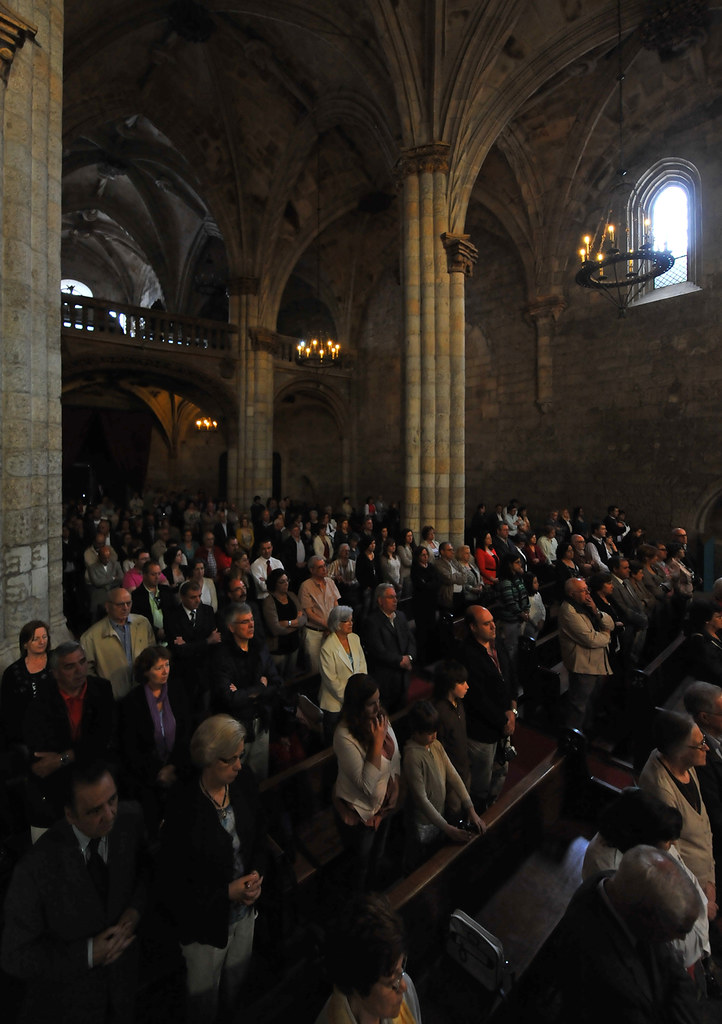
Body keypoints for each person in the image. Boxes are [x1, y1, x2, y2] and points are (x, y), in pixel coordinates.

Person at [1, 760, 147, 1024]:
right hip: (71, 1002)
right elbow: (15, 956)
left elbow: (146, 874)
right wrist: (89, 953)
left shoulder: (130, 819)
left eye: (112, 800)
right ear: (69, 814)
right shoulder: (35, 869)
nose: (110, 815)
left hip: (125, 987)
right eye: (94, 811)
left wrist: (134, 911)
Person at [159, 715, 266, 1024]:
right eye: (229, 760)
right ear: (206, 759)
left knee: (235, 987)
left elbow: (260, 833)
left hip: (244, 915)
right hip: (204, 927)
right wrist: (225, 893)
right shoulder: (184, 808)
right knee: (204, 1001)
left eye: (240, 756)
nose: (238, 765)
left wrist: (258, 874)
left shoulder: (243, 783)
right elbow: (174, 884)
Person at [554, 845, 701, 1024]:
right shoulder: (610, 979)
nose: (682, 939)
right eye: (678, 930)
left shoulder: (616, 885)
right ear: (647, 916)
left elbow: (675, 971)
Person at [582, 787, 710, 977]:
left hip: (688, 931)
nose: (672, 845)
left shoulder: (649, 838)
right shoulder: (609, 866)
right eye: (667, 841)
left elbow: (686, 877)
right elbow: (650, 932)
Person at [24, 641, 116, 839]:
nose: (79, 670)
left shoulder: (101, 690)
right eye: (70, 666)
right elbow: (42, 753)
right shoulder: (42, 699)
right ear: (55, 672)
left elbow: (103, 740)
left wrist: (62, 758)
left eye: (82, 662)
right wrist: (81, 752)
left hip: (95, 774)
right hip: (60, 784)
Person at [639, 709, 717, 912]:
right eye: (700, 744)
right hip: (690, 887)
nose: (707, 747)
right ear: (680, 750)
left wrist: (711, 877)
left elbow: (703, 821)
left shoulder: (687, 764)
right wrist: (703, 897)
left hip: (708, 870)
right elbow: (672, 854)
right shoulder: (661, 789)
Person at [332, 674, 400, 890]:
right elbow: (367, 787)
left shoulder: (379, 718)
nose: (378, 708)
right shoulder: (344, 736)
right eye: (371, 704)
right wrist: (377, 742)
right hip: (361, 811)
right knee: (360, 863)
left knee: (378, 855)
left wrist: (395, 782)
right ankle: (359, 902)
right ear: (357, 706)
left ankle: (373, 891)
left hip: (385, 803)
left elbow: (395, 754)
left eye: (378, 701)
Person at [316, 892, 421, 1024]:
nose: (403, 986)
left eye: (401, 967)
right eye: (392, 982)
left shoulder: (404, 986)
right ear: (358, 988)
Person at [403, 700, 484, 870]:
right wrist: (448, 828)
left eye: (435, 731)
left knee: (435, 857)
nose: (434, 736)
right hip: (422, 823)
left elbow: (453, 775)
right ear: (416, 731)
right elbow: (421, 800)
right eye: (428, 733)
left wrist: (470, 808)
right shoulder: (412, 757)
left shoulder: (436, 745)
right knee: (419, 863)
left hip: (438, 818)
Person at [118, 645, 190, 835]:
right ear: (146, 672)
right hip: (147, 779)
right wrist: (159, 773)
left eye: (167, 665)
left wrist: (173, 767)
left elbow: (185, 733)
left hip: (179, 770)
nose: (165, 671)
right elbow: (131, 749)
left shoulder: (177, 690)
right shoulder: (132, 702)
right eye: (159, 668)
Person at [210, 602, 282, 780]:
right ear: (231, 627)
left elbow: (277, 684)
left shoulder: (259, 649)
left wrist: (246, 693)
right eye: (244, 622)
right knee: (236, 776)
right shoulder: (222, 656)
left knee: (259, 774)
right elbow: (229, 699)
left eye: (252, 620)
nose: (251, 625)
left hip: (261, 720)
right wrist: (260, 688)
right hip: (236, 726)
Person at [460, 606, 516, 809]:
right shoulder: (467, 655)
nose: (493, 625)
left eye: (492, 620)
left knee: (501, 770)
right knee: (480, 781)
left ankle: (492, 807)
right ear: (473, 627)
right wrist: (505, 719)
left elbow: (509, 674)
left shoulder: (496, 643)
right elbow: (477, 698)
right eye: (486, 623)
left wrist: (513, 708)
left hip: (503, 721)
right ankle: (479, 813)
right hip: (481, 730)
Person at [558, 577, 613, 733]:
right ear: (571, 594)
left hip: (595, 661)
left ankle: (586, 731)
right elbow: (590, 639)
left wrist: (596, 611)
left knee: (591, 700)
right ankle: (572, 736)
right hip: (582, 664)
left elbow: (610, 624)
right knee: (579, 705)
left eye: (587, 589)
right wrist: (607, 636)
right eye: (583, 590)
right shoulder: (569, 611)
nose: (588, 593)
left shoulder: (586, 606)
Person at [81, 587, 156, 700]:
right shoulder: (91, 637)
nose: (125, 608)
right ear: (107, 606)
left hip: (143, 692)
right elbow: (87, 671)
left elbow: (152, 652)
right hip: (113, 697)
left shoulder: (142, 623)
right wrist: (103, 691)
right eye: (120, 604)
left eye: (128, 603)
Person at [163, 579, 222, 716]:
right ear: (182, 597)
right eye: (193, 597)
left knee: (205, 711)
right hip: (184, 673)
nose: (198, 600)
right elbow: (179, 650)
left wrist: (189, 644)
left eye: (199, 596)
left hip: (205, 670)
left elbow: (216, 640)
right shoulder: (172, 617)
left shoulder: (207, 611)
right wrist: (206, 641)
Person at [362, 583, 416, 713]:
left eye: (395, 596)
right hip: (387, 679)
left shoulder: (401, 616)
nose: (395, 600)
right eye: (391, 597)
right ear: (380, 600)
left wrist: (409, 657)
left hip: (404, 676)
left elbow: (411, 641)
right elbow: (378, 650)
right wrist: (400, 660)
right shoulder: (372, 621)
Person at [0, 619, 51, 752]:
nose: (42, 642)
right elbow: (8, 712)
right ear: (25, 644)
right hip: (25, 738)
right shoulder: (12, 672)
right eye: (35, 639)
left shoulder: (58, 661)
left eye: (44, 637)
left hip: (56, 731)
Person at [319, 605, 367, 744]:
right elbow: (331, 681)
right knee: (334, 741)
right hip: (335, 703)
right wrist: (350, 699)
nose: (351, 623)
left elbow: (362, 666)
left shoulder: (355, 638)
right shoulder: (327, 648)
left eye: (351, 620)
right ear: (337, 624)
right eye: (347, 621)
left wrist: (360, 691)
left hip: (355, 698)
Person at [298, 554, 341, 673]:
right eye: (320, 567)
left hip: (330, 630)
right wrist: (327, 624)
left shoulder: (330, 582)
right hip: (314, 632)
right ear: (312, 570)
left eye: (325, 566)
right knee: (315, 667)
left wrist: (334, 623)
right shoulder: (306, 586)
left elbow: (335, 603)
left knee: (332, 665)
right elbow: (308, 612)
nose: (324, 569)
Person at [261, 567, 306, 680]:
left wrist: (288, 623)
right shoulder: (269, 601)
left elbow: (304, 618)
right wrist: (296, 623)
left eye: (287, 580)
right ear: (275, 584)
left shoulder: (292, 595)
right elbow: (275, 628)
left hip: (294, 644)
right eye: (282, 582)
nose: (286, 584)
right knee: (278, 679)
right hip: (278, 649)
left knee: (290, 678)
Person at [131, 560, 174, 641]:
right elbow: (137, 620)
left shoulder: (166, 590)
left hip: (169, 635)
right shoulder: (136, 596)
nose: (157, 577)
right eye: (153, 574)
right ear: (144, 575)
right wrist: (156, 631)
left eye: (159, 573)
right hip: (147, 637)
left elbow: (174, 612)